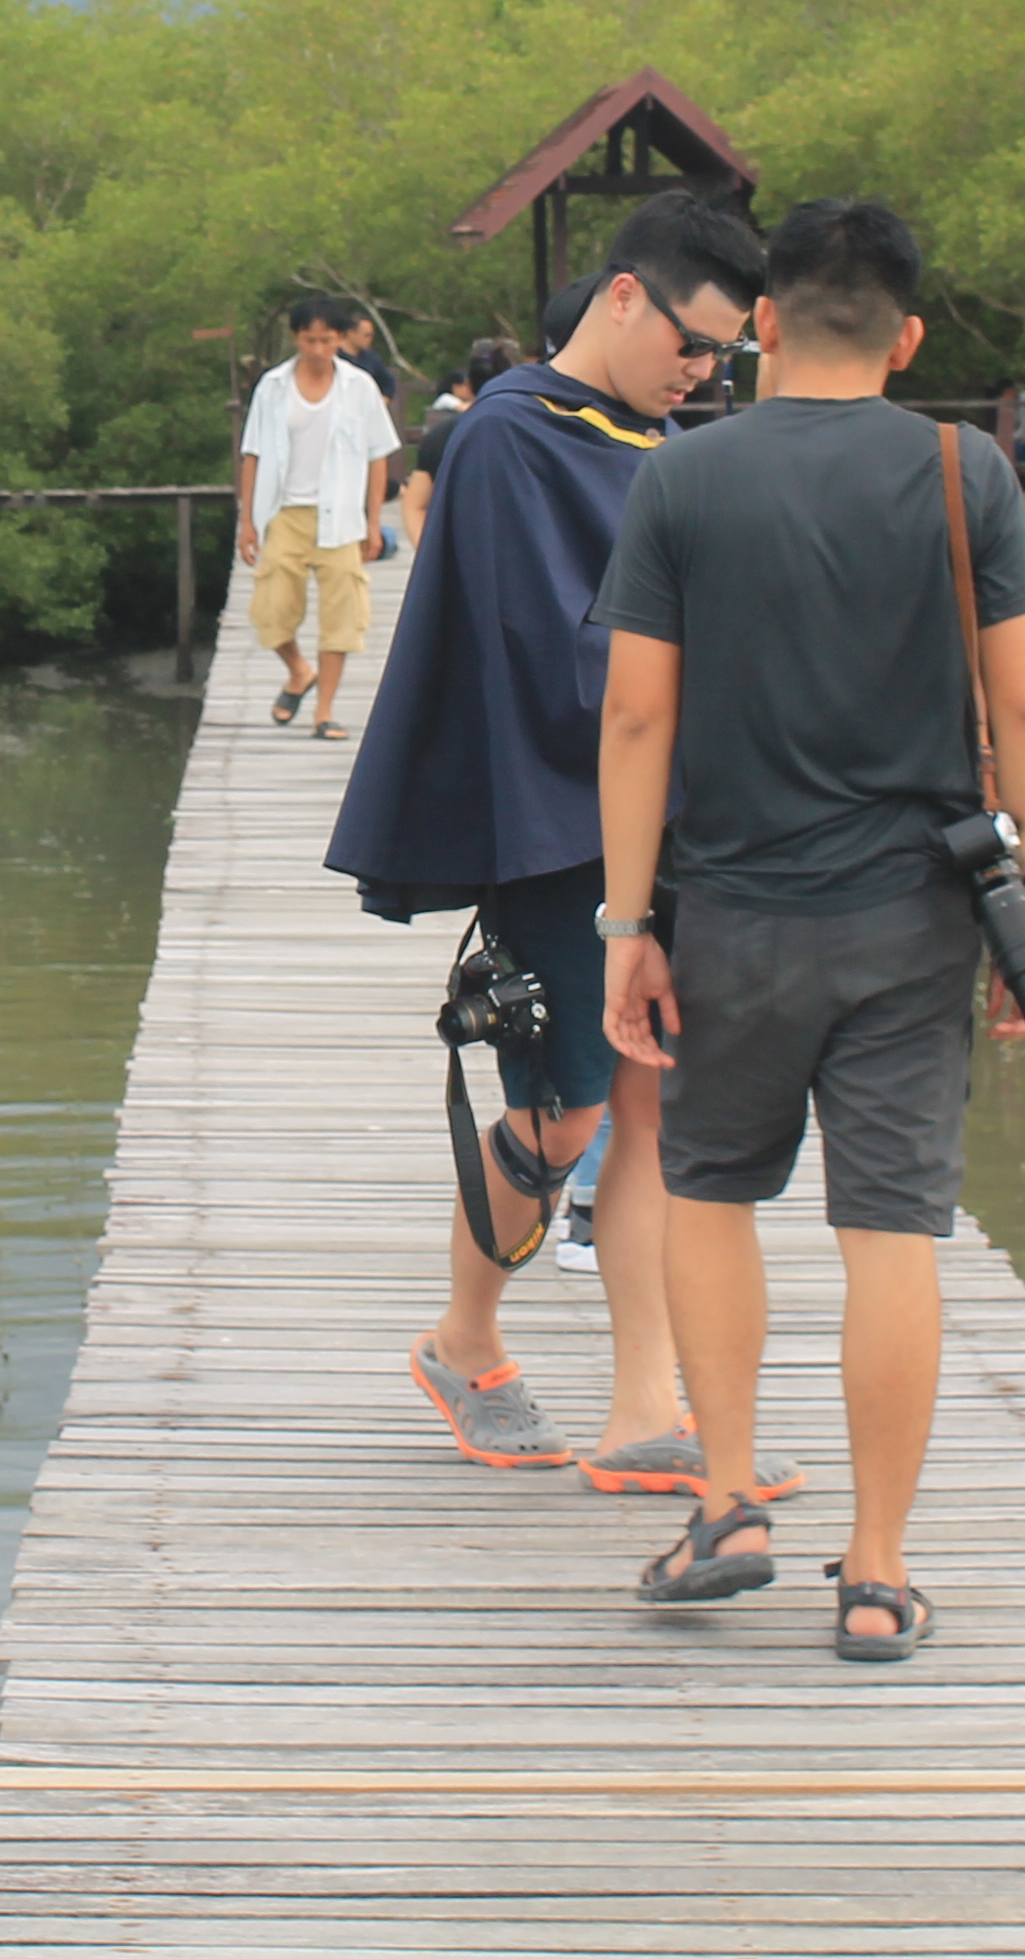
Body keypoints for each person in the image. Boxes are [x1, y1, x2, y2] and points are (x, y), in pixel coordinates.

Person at [593, 197, 1025, 1660]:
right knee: (892, 1235)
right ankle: (874, 1575)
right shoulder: (962, 471)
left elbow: (635, 714)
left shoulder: (683, 482)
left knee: (711, 1193)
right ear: (910, 333)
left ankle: (728, 1501)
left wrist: (628, 923)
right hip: (912, 925)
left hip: (732, 915)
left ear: (775, 323)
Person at [329, 195, 801, 1507]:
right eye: (695, 344)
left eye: (726, 360)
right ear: (628, 296)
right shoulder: (506, 441)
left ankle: (652, 1403)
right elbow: (555, 659)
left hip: (675, 817)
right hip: (556, 823)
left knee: (657, 1105)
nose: (703, 373)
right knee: (569, 1110)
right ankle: (463, 1340)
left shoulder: (655, 442)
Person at [234, 295, 402, 739]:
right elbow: (251, 453)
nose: (318, 350)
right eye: (310, 340)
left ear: (340, 340)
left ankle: (324, 711)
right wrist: (247, 521)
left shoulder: (360, 386)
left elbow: (377, 455)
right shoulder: (272, 387)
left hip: (341, 515)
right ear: (296, 338)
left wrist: (372, 521)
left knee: (343, 614)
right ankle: (297, 669)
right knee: (270, 609)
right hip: (285, 511)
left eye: (327, 341)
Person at [396, 338, 521, 554]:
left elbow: (415, 504)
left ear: (469, 385)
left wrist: (430, 556)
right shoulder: (535, 430)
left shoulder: (444, 433)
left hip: (461, 550)